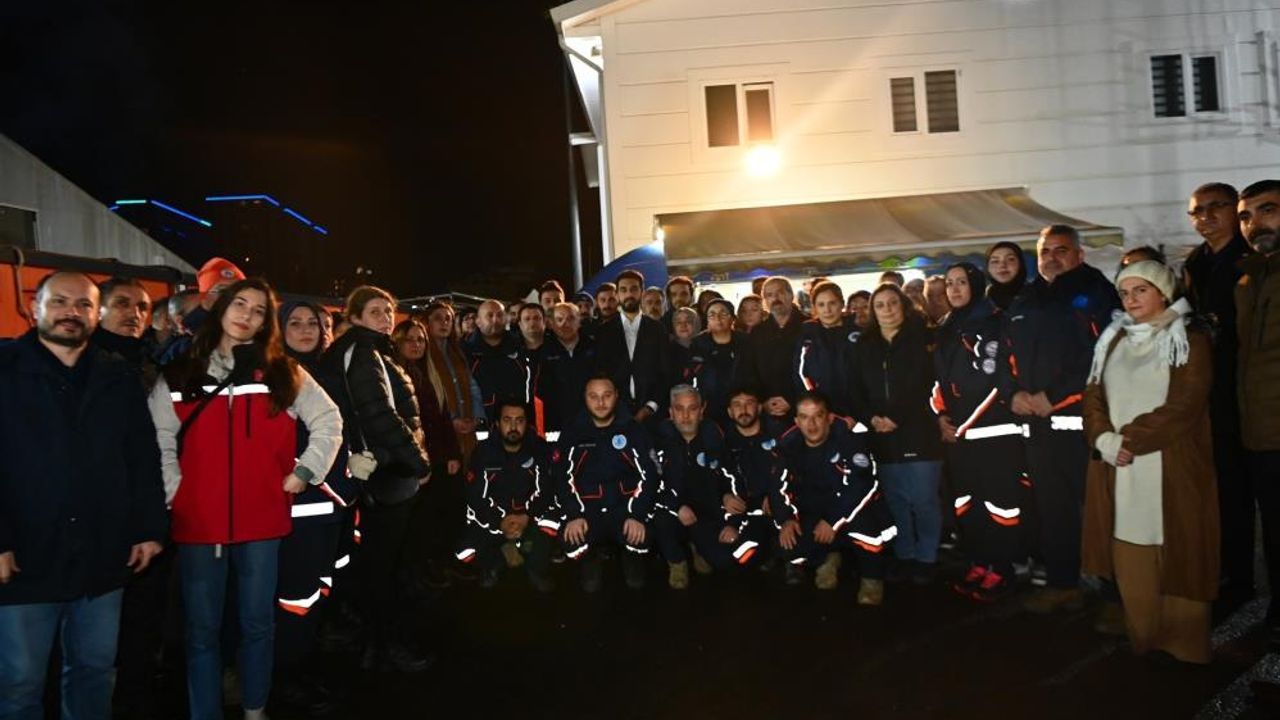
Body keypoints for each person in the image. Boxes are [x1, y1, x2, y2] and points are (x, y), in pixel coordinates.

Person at [149, 278, 341, 720]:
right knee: (202, 631)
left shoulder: (281, 372)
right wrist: (177, 492)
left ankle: (255, 709)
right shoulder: (182, 373)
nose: (247, 316)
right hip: (200, 524)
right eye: (240, 304)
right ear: (221, 308)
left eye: (258, 310)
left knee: (258, 625)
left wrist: (304, 473)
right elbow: (158, 438)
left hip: (263, 522)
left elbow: (328, 419)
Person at [0, 271, 167, 720]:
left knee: (94, 671)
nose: (70, 312)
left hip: (102, 554)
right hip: (25, 558)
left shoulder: (117, 375)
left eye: (83, 304)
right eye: (59, 301)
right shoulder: (6, 369)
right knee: (20, 682)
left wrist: (149, 527)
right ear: (34, 307)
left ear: (96, 314)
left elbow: (142, 456)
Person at [1081, 260, 1218, 664]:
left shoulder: (1189, 339)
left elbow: (1185, 404)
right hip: (1118, 463)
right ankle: (1144, 636)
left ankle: (1185, 646)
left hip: (1170, 462)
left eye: (1141, 290)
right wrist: (1104, 439)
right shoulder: (1112, 340)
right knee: (1130, 547)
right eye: (1124, 292)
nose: (1130, 299)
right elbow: (1092, 396)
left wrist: (1129, 440)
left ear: (1163, 293)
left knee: (1179, 548)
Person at [1001, 224, 1121, 613]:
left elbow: (1100, 354)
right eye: (1045, 251)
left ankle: (1116, 594)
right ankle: (1062, 583)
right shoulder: (1025, 298)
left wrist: (1052, 397)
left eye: (1061, 250)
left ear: (1079, 255)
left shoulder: (1096, 293)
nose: (1052, 258)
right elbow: (1005, 353)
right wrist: (1012, 393)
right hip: (1038, 428)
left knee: (1101, 509)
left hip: (1082, 425)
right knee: (1053, 509)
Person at [319, 285, 434, 673]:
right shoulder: (363, 353)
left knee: (379, 566)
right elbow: (380, 416)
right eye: (375, 312)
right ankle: (383, 645)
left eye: (388, 311)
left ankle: (374, 642)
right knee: (383, 569)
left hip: (384, 472)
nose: (385, 318)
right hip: (386, 476)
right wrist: (419, 461)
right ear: (354, 317)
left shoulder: (371, 351)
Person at [273, 300, 356, 716]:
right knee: (296, 596)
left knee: (317, 590)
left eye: (313, 323)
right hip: (298, 506)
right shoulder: (277, 377)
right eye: (295, 323)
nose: (306, 330)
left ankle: (304, 661)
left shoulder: (329, 373)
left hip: (334, 503)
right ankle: (286, 678)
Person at [1181, 182, 1255, 611]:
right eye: (1197, 211)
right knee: (1222, 490)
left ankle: (1245, 579)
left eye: (1216, 207)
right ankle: (1232, 576)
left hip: (1248, 386)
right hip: (1207, 391)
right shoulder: (1195, 263)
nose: (1205, 217)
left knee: (1251, 490)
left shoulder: (1252, 257)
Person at [932, 263, 1026, 602]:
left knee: (1000, 504)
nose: (955, 289)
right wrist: (941, 416)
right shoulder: (946, 326)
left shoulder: (995, 322)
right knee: (966, 504)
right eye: (949, 283)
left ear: (976, 284)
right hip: (960, 437)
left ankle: (1003, 568)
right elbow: (937, 381)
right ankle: (979, 560)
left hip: (994, 432)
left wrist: (964, 424)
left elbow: (999, 381)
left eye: (962, 282)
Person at [849, 283, 944, 584]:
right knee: (896, 501)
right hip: (881, 436)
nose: (887, 309)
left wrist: (895, 417)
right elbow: (855, 390)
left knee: (924, 500)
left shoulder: (922, 340)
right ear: (872, 312)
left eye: (893, 303)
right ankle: (905, 555)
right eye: (880, 305)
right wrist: (871, 418)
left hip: (919, 433)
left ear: (903, 306)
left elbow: (925, 384)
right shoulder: (864, 346)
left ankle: (927, 557)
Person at [777, 391, 896, 604]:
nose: (811, 424)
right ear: (796, 421)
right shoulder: (788, 446)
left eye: (818, 416)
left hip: (852, 511)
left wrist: (832, 521)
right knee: (789, 545)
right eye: (804, 417)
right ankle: (827, 557)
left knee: (867, 529)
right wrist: (787, 518)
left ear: (829, 418)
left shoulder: (850, 442)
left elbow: (863, 485)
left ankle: (872, 579)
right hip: (816, 512)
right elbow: (779, 486)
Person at [556, 374, 663, 591]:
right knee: (571, 540)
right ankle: (590, 557)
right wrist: (574, 514)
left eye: (606, 395)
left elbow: (650, 475)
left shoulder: (634, 430)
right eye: (593, 396)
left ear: (616, 396)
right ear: (585, 398)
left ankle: (631, 555)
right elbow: (561, 477)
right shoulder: (572, 431)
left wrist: (636, 514)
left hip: (624, 508)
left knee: (642, 540)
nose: (601, 402)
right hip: (588, 510)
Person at [1235, 179, 1280, 646]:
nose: (1254, 224)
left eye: (1267, 211)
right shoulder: (1249, 279)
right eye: (1246, 216)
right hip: (1260, 432)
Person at [393, 317, 469, 589]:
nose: (416, 345)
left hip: (436, 458)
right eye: (409, 340)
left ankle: (439, 562)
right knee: (420, 521)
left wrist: (452, 454)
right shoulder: (396, 374)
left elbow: (442, 417)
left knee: (442, 513)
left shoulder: (426, 373)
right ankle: (421, 572)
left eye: (420, 340)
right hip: (414, 462)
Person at [456, 400, 559, 592]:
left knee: (552, 522)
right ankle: (494, 563)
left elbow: (546, 490)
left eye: (519, 420)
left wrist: (526, 516)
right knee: (464, 551)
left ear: (527, 423)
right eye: (507, 420)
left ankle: (536, 568)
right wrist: (500, 521)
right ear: (497, 424)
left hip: (529, 516)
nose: (513, 426)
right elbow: (476, 496)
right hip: (496, 519)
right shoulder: (483, 452)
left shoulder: (539, 449)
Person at [652, 385, 734, 587]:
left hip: (705, 513)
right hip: (673, 511)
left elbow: (730, 475)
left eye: (692, 408)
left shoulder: (715, 437)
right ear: (671, 413)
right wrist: (676, 506)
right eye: (679, 409)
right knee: (660, 520)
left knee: (723, 561)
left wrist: (727, 495)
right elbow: (650, 483)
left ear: (702, 411)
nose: (686, 416)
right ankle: (677, 562)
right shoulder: (659, 439)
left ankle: (698, 547)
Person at [719, 386, 788, 569]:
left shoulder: (779, 434)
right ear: (729, 411)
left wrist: (776, 496)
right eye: (737, 405)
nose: (743, 409)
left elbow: (795, 470)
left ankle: (791, 561)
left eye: (749, 403)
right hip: (747, 512)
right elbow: (716, 479)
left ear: (759, 407)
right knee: (738, 556)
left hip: (781, 507)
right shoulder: (724, 442)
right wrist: (725, 497)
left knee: (796, 547)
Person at [593, 270, 671, 423]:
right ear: (617, 294)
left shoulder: (657, 329)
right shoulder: (603, 332)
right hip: (615, 414)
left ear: (642, 292)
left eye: (634, 289)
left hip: (653, 415)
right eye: (623, 290)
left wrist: (650, 407)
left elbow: (665, 373)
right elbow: (600, 372)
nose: (629, 294)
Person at [738, 276, 805, 420]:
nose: (775, 298)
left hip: (805, 408)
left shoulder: (809, 327)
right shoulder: (757, 333)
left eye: (780, 292)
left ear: (791, 295)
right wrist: (763, 401)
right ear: (764, 302)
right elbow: (750, 372)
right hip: (768, 410)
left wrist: (792, 399)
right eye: (769, 295)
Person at [793, 280, 860, 417]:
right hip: (821, 414)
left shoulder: (857, 333)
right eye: (821, 305)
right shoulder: (808, 334)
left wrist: (859, 412)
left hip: (857, 411)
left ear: (842, 304)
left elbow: (869, 375)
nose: (827, 310)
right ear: (814, 308)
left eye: (832, 303)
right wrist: (817, 408)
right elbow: (800, 373)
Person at [465, 299, 528, 424]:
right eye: (490, 315)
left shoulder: (520, 344)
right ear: (478, 321)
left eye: (499, 315)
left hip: (518, 418)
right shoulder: (465, 350)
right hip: (481, 420)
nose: (495, 320)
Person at [690, 298, 745, 430]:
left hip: (740, 403)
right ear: (707, 320)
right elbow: (692, 375)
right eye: (712, 315)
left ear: (732, 318)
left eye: (723, 314)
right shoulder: (698, 343)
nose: (718, 318)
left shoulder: (744, 341)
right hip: (709, 404)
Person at [542, 302, 595, 434]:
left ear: (579, 321)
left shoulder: (593, 347)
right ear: (552, 324)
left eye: (571, 318)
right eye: (559, 319)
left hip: (591, 419)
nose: (565, 324)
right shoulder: (543, 351)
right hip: (554, 423)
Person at [985, 241, 1028, 311]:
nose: (1002, 265)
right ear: (987, 268)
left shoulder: (1037, 297)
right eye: (995, 261)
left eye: (1010, 259)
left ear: (1021, 264)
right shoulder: (980, 301)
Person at [668, 306, 702, 387]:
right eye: (678, 322)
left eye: (688, 321)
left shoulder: (704, 347)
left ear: (696, 323)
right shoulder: (668, 350)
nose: (683, 325)